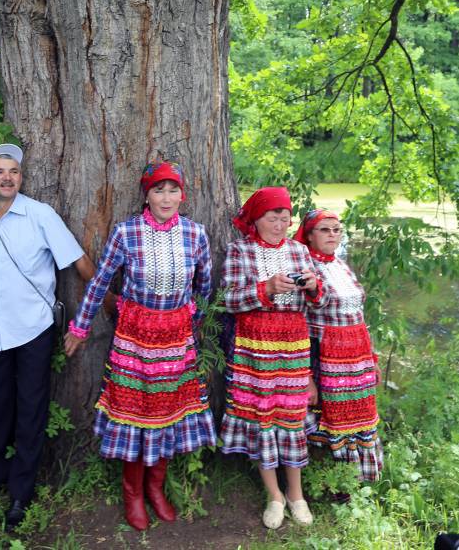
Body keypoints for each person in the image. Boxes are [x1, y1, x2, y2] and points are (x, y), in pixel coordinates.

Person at [64, 160, 216, 531]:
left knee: (167, 412)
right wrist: (80, 328)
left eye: (173, 190)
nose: (166, 198)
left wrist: (192, 324)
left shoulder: (195, 234)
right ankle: (132, 492)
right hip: (134, 338)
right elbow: (100, 283)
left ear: (183, 194)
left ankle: (156, 488)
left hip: (176, 339)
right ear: (146, 195)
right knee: (135, 413)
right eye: (158, 190)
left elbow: (205, 287)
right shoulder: (127, 232)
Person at [0, 143, 98, 530]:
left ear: (20, 178)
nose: (7, 178)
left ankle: (21, 494)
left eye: (14, 172)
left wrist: (105, 298)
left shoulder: (40, 215)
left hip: (34, 329)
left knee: (30, 412)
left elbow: (79, 261)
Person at [220, 186, 329, 531]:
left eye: (285, 216)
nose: (281, 222)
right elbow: (231, 301)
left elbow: (320, 303)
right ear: (256, 218)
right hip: (253, 346)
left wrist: (313, 287)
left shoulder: (299, 250)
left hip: (294, 345)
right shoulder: (239, 250)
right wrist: (266, 289)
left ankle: (296, 494)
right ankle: (274, 495)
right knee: (262, 419)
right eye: (272, 216)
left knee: (292, 417)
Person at [294, 209, 383, 483]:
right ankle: (329, 482)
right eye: (324, 229)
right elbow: (309, 310)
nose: (332, 234)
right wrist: (307, 377)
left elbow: (359, 315)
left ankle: (358, 480)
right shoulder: (306, 269)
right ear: (309, 235)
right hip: (326, 355)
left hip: (356, 356)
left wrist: (372, 360)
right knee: (326, 416)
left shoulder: (340, 264)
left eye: (336, 230)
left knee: (357, 415)